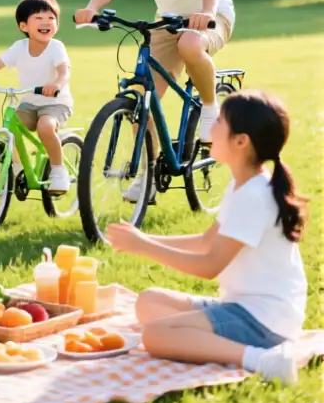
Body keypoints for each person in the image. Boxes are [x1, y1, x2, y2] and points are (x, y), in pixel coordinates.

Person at [107, 90, 308, 385]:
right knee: (148, 302)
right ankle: (217, 340)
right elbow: (206, 241)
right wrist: (141, 238)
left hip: (264, 322)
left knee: (155, 336)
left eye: (220, 122)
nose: (211, 127)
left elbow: (209, 265)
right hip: (242, 307)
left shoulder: (254, 196)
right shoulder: (243, 185)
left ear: (241, 141)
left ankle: (264, 360)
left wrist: (145, 247)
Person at [75, 0, 235, 202]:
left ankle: (209, 107)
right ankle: (146, 176)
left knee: (190, 43)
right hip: (167, 21)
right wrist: (91, 7)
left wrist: (206, 12)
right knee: (142, 99)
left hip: (212, 16)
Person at [0, 0, 73, 195]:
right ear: (24, 26)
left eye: (51, 18)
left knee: (45, 127)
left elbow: (64, 71)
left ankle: (59, 171)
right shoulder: (19, 47)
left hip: (55, 103)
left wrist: (56, 83)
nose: (46, 22)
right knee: (7, 132)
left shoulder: (56, 47)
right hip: (29, 104)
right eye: (38, 18)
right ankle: (16, 168)